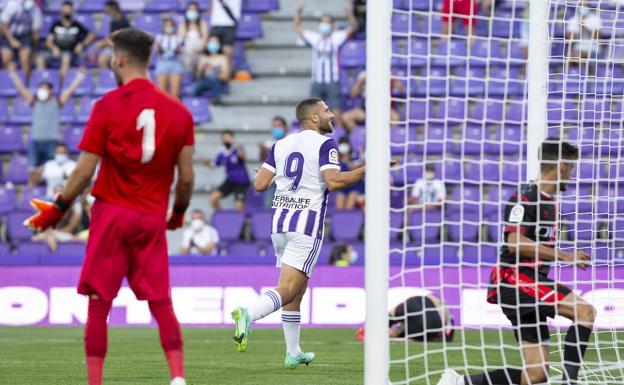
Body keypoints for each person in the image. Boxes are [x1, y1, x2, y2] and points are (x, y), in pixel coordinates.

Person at [24, 28, 195, 385]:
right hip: (151, 217)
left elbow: (84, 170)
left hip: (112, 213)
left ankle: (95, 381)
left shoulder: (107, 106)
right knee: (161, 300)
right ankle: (177, 377)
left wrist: (56, 209)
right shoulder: (179, 112)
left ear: (118, 60)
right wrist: (177, 214)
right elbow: (188, 178)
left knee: (100, 302)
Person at [437, 139, 596, 385]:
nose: (572, 175)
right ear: (562, 165)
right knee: (584, 311)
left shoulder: (550, 202)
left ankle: (458, 383)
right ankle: (569, 382)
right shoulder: (525, 198)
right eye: (571, 168)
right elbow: (515, 242)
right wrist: (565, 256)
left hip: (528, 285)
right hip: (514, 280)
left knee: (536, 375)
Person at [230, 97, 366, 369]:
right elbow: (333, 181)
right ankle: (249, 314)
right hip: (306, 225)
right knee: (289, 289)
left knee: (297, 292)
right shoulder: (325, 144)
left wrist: (279, 178)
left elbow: (259, 184)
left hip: (280, 224)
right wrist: (368, 171)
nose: (331, 115)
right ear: (313, 117)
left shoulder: (280, 145)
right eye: (326, 110)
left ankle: (293, 352)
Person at [8, 63, 86, 185]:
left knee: (52, 175)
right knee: (31, 175)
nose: (42, 91)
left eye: (45, 88)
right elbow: (22, 89)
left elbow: (70, 90)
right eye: (41, 88)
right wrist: (13, 74)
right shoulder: (34, 101)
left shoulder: (57, 101)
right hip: (35, 141)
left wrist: (79, 77)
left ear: (51, 90)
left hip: (51, 142)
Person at [294, 3, 357, 121]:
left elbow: (353, 27)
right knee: (312, 110)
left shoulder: (336, 37)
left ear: (332, 25)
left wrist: (349, 13)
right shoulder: (315, 38)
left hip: (332, 80)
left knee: (336, 110)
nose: (325, 25)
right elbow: (298, 28)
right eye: (323, 22)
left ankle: (338, 134)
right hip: (316, 80)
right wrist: (298, 12)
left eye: (327, 22)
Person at [357, 294, 454, 343]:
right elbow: (448, 336)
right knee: (394, 322)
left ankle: (371, 330)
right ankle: (374, 331)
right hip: (434, 326)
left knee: (392, 319)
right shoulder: (447, 320)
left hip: (421, 307)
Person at [36, 1, 95, 80]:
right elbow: (48, 41)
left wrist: (82, 44)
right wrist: (53, 48)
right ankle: (42, 83)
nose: (67, 11)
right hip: (55, 52)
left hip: (69, 52)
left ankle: (61, 85)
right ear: (61, 11)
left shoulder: (76, 25)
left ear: (72, 11)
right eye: (65, 9)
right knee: (40, 59)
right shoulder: (56, 24)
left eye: (69, 9)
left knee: (66, 58)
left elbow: (91, 35)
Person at [205, 130, 250, 211]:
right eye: (224, 138)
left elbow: (243, 156)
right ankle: (221, 218)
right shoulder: (221, 152)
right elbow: (213, 165)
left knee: (238, 206)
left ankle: (242, 222)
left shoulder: (237, 148)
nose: (225, 139)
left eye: (227, 137)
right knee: (213, 198)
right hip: (229, 181)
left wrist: (234, 142)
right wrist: (204, 162)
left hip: (241, 181)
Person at [33, 183, 83, 251]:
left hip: (65, 233)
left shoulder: (73, 206)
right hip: (50, 234)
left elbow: (71, 227)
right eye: (56, 192)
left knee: (80, 240)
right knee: (36, 240)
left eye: (61, 192)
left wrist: (60, 232)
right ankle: (54, 258)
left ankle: (55, 257)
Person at [0, 0, 42, 80]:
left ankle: (26, 83)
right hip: (10, 33)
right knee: (6, 58)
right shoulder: (12, 5)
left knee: (25, 59)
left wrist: (33, 52)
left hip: (25, 35)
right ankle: (4, 82)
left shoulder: (36, 11)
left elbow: (35, 34)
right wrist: (11, 40)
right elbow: (3, 25)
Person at [185, 35, 231, 101]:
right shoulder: (203, 58)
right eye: (211, 42)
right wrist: (202, 69)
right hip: (204, 81)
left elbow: (225, 77)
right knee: (192, 91)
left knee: (212, 78)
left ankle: (217, 99)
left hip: (217, 81)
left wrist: (213, 71)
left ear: (219, 44)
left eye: (215, 42)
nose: (213, 44)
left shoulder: (223, 58)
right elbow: (198, 77)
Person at [259, 116, 288, 208]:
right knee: (268, 206)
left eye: (278, 126)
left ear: (285, 127)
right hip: (271, 180)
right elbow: (262, 159)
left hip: (287, 180)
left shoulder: (291, 142)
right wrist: (263, 150)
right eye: (274, 126)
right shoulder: (268, 143)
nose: (276, 129)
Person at [155, 17, 185, 98]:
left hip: (175, 63)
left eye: (170, 25)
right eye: (166, 25)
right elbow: (156, 52)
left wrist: (179, 49)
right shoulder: (159, 38)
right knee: (162, 94)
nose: (168, 27)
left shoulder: (178, 38)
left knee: (175, 94)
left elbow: (182, 52)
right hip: (163, 63)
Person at [95, 1, 131, 69]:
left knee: (103, 59)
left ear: (113, 9)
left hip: (121, 48)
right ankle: (106, 78)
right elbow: (111, 37)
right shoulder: (113, 22)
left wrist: (106, 43)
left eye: (107, 10)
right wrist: (104, 42)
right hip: (113, 47)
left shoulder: (124, 23)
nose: (106, 12)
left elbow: (123, 42)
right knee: (100, 57)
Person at [566, 1, 602, 65]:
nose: (583, 7)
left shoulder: (595, 19)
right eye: (581, 5)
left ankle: (585, 73)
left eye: (585, 5)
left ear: (589, 7)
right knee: (570, 56)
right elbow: (569, 40)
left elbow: (598, 37)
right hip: (577, 48)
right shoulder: (573, 19)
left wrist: (584, 27)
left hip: (593, 49)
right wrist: (577, 31)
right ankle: (569, 74)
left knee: (578, 56)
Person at [209, 0, 241, 72]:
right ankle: (213, 75)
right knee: (212, 50)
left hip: (230, 24)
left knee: (227, 53)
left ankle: (227, 75)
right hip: (216, 23)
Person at [177, 1, 209, 70]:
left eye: (194, 10)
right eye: (190, 10)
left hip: (199, 52)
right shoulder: (183, 25)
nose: (192, 12)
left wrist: (197, 50)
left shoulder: (202, 24)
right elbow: (180, 41)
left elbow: (204, 40)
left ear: (198, 12)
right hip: (186, 53)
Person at [335, 137, 364, 210]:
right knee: (339, 205)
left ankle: (349, 220)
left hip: (355, 186)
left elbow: (357, 168)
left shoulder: (356, 155)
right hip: (343, 186)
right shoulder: (336, 158)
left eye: (345, 144)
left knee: (349, 204)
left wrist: (348, 161)